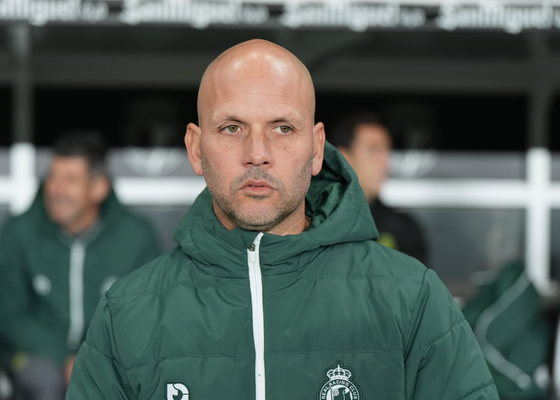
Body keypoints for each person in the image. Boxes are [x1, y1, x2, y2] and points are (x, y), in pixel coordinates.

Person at [67, 40, 498, 400]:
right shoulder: (126, 314)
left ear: (316, 148)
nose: (257, 153)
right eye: (232, 128)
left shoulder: (412, 297)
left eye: (282, 128)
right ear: (196, 149)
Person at [0, 132, 161, 400]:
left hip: (110, 356)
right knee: (45, 385)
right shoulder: (19, 232)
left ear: (99, 188)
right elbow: (9, 314)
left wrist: (93, 356)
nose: (56, 189)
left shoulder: (136, 236)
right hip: (34, 354)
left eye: (70, 180)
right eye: (53, 177)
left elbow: (147, 315)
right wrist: (63, 356)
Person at [330, 113, 427, 264]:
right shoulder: (313, 221)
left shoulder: (402, 228)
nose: (384, 162)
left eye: (386, 151)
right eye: (373, 150)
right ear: (343, 157)